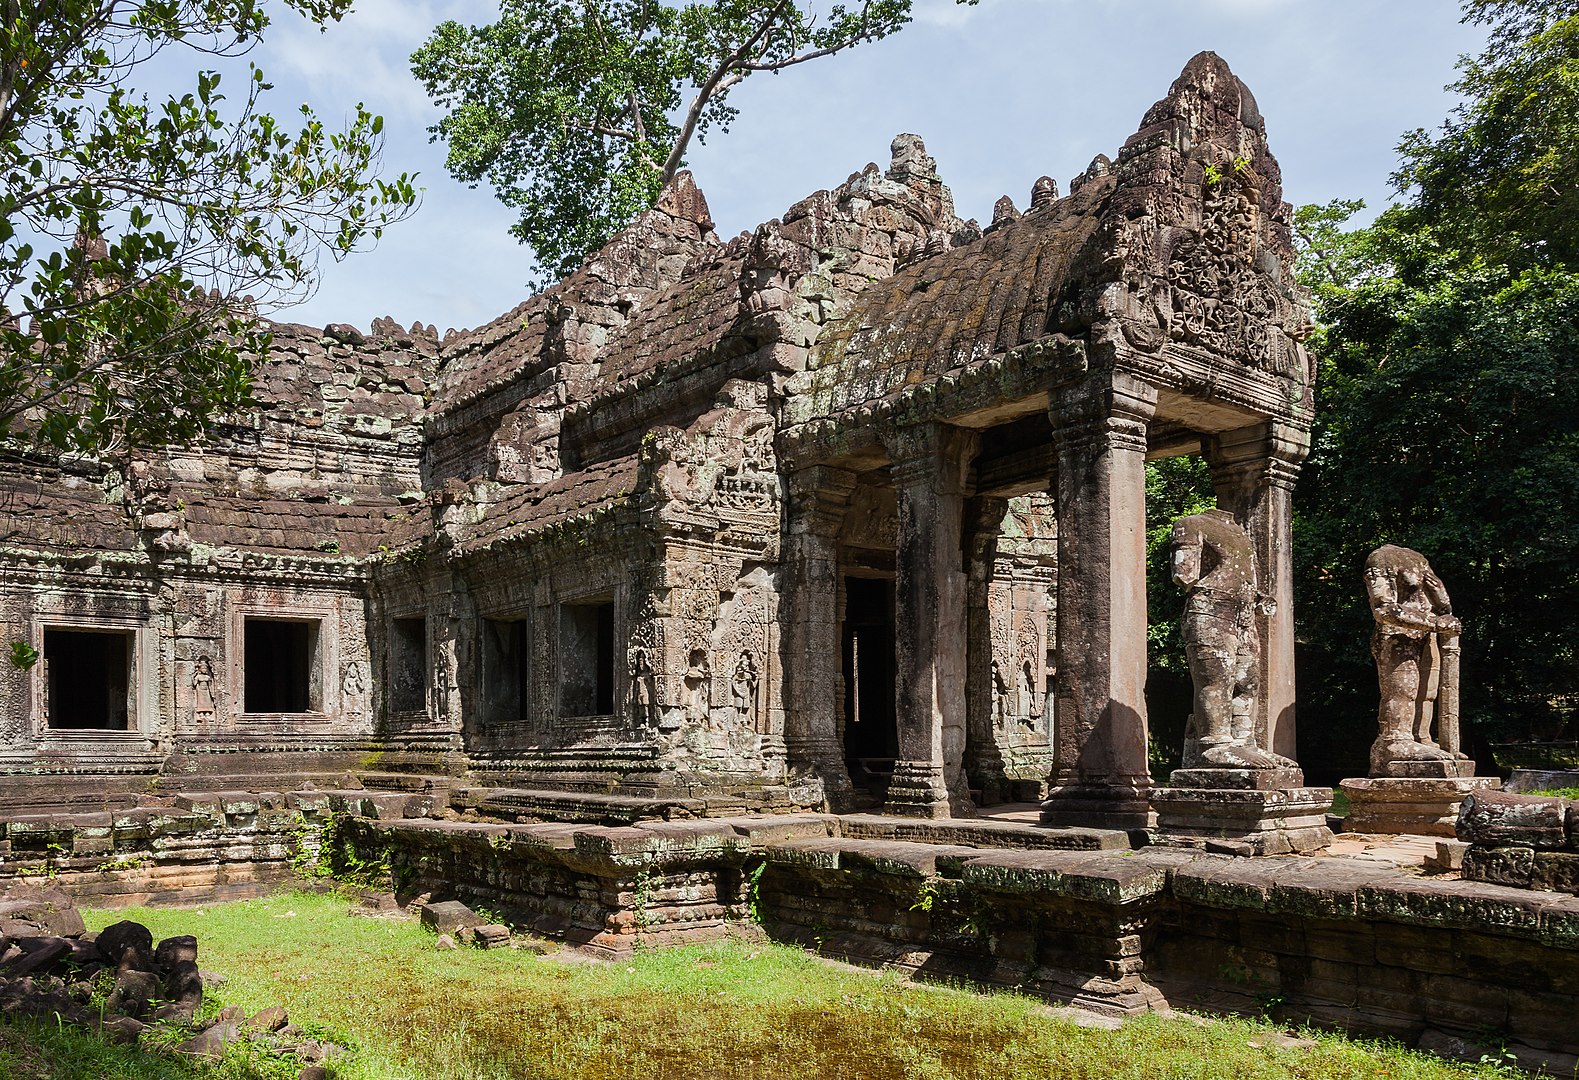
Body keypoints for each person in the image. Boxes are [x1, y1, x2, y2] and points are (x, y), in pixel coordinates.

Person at [1171, 509, 1294, 770]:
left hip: (1244, 615)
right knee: (1216, 679)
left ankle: (1244, 742)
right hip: (1210, 609)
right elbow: (1184, 574)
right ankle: (1213, 744)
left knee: (1248, 683)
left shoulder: (1239, 532)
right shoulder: (1191, 525)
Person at [1364, 544, 1466, 774]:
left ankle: (1423, 739)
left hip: (1426, 636)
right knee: (1402, 691)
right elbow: (1383, 610)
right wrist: (1434, 623)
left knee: (1427, 693)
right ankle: (1394, 742)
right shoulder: (1382, 558)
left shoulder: (1418, 559)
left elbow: (1443, 604)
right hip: (1396, 637)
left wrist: (1441, 606)